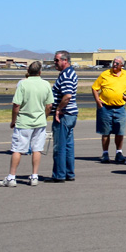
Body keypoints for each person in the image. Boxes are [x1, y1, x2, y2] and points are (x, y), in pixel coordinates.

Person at [0, 61, 51, 186]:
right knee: (37, 149)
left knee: (17, 149)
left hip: (24, 122)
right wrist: (44, 116)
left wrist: (13, 120)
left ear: (28, 71)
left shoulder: (23, 84)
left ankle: (12, 177)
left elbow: (16, 105)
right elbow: (49, 105)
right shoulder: (46, 84)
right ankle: (34, 176)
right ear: (40, 72)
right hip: (39, 122)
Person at [91, 57, 126, 164]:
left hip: (120, 108)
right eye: (113, 63)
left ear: (122, 66)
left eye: (117, 63)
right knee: (105, 132)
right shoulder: (105, 74)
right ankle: (105, 153)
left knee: (120, 132)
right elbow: (95, 88)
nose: (114, 65)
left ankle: (119, 153)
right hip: (105, 107)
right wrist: (97, 101)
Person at [48, 51, 79, 182]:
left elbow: (67, 96)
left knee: (59, 146)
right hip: (70, 115)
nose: (55, 63)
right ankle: (68, 173)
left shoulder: (66, 75)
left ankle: (59, 174)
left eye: (56, 60)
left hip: (64, 115)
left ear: (64, 60)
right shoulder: (69, 73)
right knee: (68, 145)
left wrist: (58, 110)